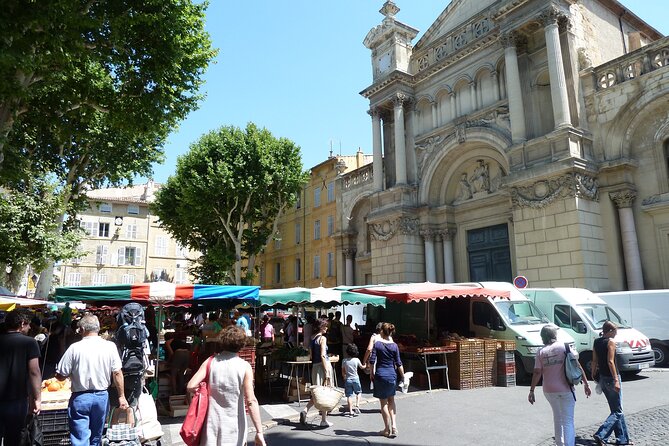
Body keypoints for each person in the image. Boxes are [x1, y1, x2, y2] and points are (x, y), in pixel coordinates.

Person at [56, 313, 129, 446]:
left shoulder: (74, 348)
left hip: (80, 397)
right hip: (101, 397)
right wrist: (122, 396)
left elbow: (61, 375)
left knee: (79, 437)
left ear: (82, 329)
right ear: (98, 329)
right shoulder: (110, 346)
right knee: (96, 437)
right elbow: (117, 373)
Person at [186, 325, 266, 446]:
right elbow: (251, 401)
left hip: (210, 424)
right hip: (234, 426)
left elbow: (191, 386)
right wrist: (259, 431)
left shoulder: (210, 361)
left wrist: (205, 390)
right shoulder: (244, 366)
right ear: (242, 345)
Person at [528, 324, 591, 446]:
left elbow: (537, 372)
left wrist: (532, 390)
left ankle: (560, 444)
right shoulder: (565, 347)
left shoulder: (541, 352)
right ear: (555, 335)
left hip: (549, 390)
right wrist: (586, 383)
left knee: (557, 418)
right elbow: (577, 365)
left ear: (543, 337)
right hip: (565, 388)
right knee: (567, 420)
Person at [0, 310, 42, 445]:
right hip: (16, 400)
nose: (30, 328)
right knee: (13, 438)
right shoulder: (29, 343)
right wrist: (37, 398)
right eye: (28, 324)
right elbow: (34, 371)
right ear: (22, 323)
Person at [591, 321, 634, 446]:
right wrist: (616, 379)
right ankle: (601, 434)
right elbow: (610, 362)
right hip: (611, 378)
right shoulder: (610, 342)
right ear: (610, 331)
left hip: (603, 378)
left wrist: (593, 375)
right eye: (615, 331)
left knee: (615, 409)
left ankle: (623, 439)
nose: (616, 333)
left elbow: (594, 361)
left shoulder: (596, 342)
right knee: (617, 411)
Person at [369, 322, 405, 438]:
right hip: (392, 376)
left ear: (381, 332)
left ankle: (386, 429)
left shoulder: (377, 344)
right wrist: (403, 376)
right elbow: (399, 363)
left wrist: (371, 373)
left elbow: (372, 360)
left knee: (383, 403)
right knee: (392, 400)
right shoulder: (394, 346)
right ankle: (394, 426)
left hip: (380, 375)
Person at [299, 318, 333, 428]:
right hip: (323, 366)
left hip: (315, 366)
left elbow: (311, 355)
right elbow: (323, 355)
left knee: (317, 392)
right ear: (321, 327)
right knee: (325, 393)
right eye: (325, 326)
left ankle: (305, 411)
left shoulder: (313, 338)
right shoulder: (323, 338)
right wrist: (327, 371)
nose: (327, 328)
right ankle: (323, 420)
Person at [342, 343, 365, 416]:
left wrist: (344, 377)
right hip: (355, 378)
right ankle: (357, 406)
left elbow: (343, 372)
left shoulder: (344, 361)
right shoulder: (356, 360)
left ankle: (351, 411)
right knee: (358, 392)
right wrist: (365, 365)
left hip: (348, 379)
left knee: (349, 396)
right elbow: (362, 367)